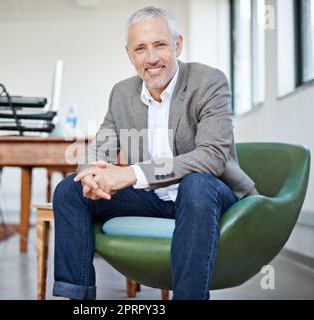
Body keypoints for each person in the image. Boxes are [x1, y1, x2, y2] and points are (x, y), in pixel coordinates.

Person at [52, 6, 258, 300]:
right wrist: (90, 174)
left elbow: (212, 157)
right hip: (154, 199)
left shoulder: (209, 82)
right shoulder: (122, 93)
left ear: (178, 44)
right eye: (140, 49)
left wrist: (131, 173)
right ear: (129, 54)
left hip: (209, 196)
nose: (151, 58)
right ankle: (77, 299)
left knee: (196, 183)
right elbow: (101, 145)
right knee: (69, 190)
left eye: (160, 44)